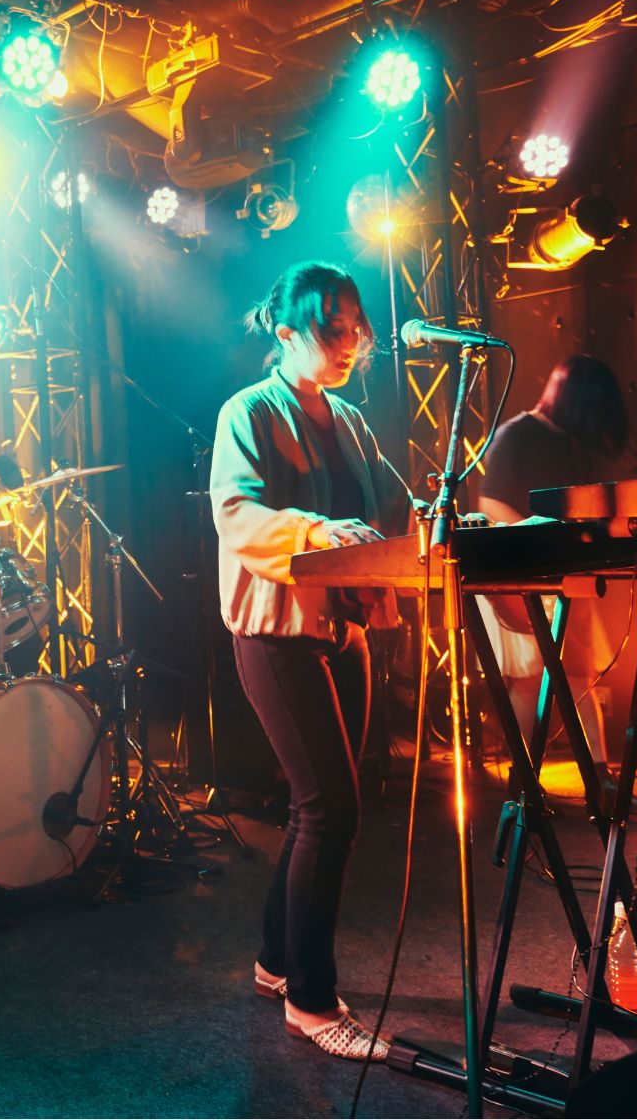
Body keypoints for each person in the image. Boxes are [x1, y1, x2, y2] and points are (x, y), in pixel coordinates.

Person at [211, 261, 411, 1062]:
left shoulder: (350, 420)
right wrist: (317, 531)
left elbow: (387, 504)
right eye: (333, 329)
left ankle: (273, 961)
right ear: (286, 332)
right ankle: (312, 1001)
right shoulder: (247, 411)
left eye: (356, 326)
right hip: (275, 631)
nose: (350, 343)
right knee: (331, 808)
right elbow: (237, 513)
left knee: (314, 806)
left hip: (343, 630)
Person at [475, 354, 637, 805]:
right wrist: (543, 542)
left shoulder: (569, 443)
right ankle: (524, 781)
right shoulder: (515, 435)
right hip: (523, 576)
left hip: (565, 575)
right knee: (531, 678)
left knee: (579, 672)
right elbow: (491, 504)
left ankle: (599, 778)